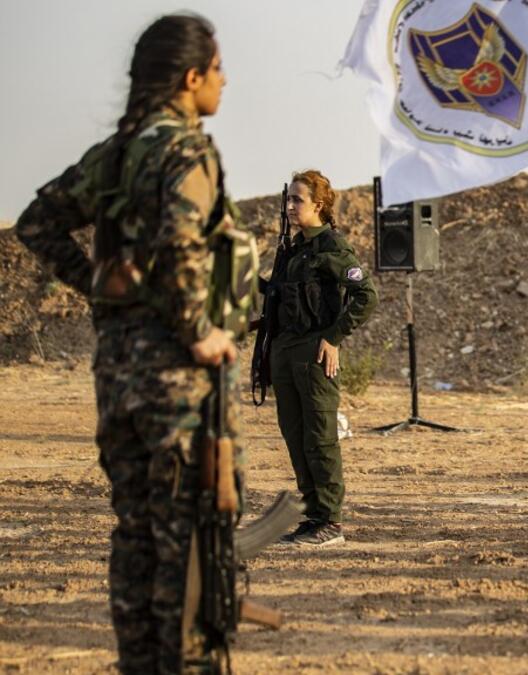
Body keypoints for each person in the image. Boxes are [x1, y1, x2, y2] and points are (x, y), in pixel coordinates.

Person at [15, 14, 248, 672]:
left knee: (136, 534)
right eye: (219, 69)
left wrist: (96, 282)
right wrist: (198, 332)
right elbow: (179, 246)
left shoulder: (115, 154)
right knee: (191, 541)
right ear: (191, 77)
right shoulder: (185, 149)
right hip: (177, 382)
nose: (225, 83)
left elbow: (38, 222)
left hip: (116, 377)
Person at [270, 170, 378, 547]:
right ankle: (313, 516)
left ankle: (330, 522)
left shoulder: (331, 247)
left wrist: (333, 338)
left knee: (320, 438)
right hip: (285, 352)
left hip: (315, 353)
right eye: (288, 200)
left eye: (297, 200)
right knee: (296, 438)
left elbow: (366, 296)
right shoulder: (293, 249)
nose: (290, 207)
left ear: (318, 205)